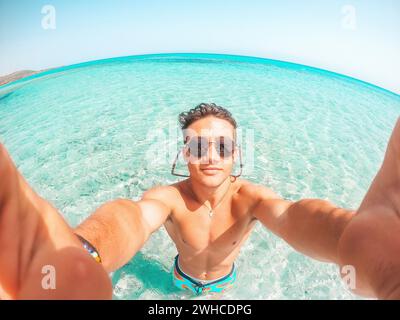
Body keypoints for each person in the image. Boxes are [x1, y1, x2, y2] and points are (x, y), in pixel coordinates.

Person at [1, 103, 400, 299]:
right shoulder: (169, 199)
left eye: (222, 146)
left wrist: (351, 237)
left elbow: (293, 215)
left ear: (236, 155)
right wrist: (82, 251)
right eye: (198, 146)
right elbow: (134, 218)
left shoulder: (251, 200)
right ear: (184, 154)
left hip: (226, 285)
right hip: (178, 277)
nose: (210, 155)